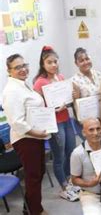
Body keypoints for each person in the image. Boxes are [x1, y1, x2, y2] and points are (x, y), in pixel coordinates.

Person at [3, 54, 50, 215]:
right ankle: (35, 211)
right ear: (9, 71)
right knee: (33, 176)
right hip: (26, 139)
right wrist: (36, 133)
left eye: (24, 65)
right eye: (17, 67)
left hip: (34, 136)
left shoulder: (23, 84)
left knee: (38, 172)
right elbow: (16, 121)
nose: (23, 69)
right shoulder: (11, 91)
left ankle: (28, 207)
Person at [33, 45, 79, 202]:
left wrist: (71, 97)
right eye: (49, 62)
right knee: (59, 156)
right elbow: (37, 108)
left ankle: (69, 180)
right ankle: (63, 187)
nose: (53, 65)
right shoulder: (39, 83)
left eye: (55, 61)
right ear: (43, 64)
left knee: (70, 151)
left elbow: (68, 100)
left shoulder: (60, 78)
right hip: (54, 123)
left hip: (66, 119)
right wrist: (52, 108)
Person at [71, 47, 101, 140]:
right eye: (81, 60)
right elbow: (75, 105)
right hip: (87, 122)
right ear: (76, 63)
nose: (85, 62)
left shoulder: (99, 75)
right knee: (92, 148)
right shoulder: (74, 81)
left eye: (87, 59)